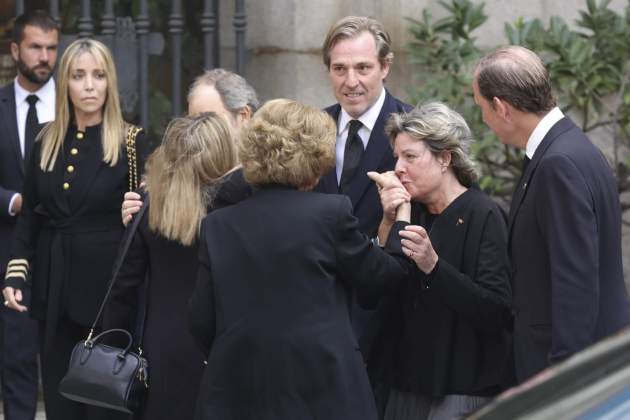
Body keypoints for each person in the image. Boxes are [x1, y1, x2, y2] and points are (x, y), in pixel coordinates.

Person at [188, 99, 412, 420]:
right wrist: (400, 217)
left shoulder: (218, 225)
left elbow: (200, 318)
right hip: (322, 389)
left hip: (238, 392)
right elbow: (379, 279)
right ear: (316, 159)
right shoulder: (330, 213)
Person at [2, 38, 148, 420]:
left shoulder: (132, 142)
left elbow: (148, 222)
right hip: (55, 288)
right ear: (65, 82)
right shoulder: (45, 139)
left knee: (104, 405)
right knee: (59, 398)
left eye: (98, 76)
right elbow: (32, 215)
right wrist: (17, 272)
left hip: (108, 294)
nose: (89, 85)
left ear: (109, 83)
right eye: (79, 76)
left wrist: (135, 212)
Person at [472, 45, 630, 383]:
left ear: (501, 107)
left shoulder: (558, 163)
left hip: (568, 372)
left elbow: (575, 281)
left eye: (481, 107)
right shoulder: (570, 147)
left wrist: (562, 377)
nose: (483, 118)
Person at [367, 103, 513, 419]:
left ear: (445, 158)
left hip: (461, 390)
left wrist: (434, 266)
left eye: (410, 156)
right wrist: (388, 223)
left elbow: (497, 311)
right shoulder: (411, 211)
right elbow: (378, 287)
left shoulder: (483, 214)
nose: (398, 168)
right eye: (396, 157)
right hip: (404, 385)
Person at [103, 113, 238, 420]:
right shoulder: (238, 212)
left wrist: (114, 347)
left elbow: (122, 289)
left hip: (161, 350)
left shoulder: (147, 208)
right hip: (224, 347)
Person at [314, 14, 413, 349]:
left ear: (385, 67)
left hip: (391, 321)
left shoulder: (415, 131)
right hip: (320, 317)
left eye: (363, 68)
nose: (350, 80)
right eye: (339, 68)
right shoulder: (312, 130)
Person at [0, 10, 58, 420]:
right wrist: (14, 202)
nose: (45, 57)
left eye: (52, 48)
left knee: (68, 364)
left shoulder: (78, 106)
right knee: (16, 362)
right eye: (36, 47)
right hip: (9, 253)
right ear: (15, 49)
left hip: (63, 253)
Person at [120, 68, 258, 224]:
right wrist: (140, 218)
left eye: (208, 120)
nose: (197, 131)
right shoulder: (171, 174)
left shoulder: (265, 174)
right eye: (193, 120)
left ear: (244, 116)